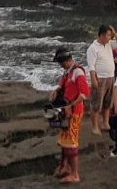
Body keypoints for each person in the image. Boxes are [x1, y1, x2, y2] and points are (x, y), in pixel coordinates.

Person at [50, 48, 90, 184]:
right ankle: (64, 167)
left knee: (71, 143)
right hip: (65, 111)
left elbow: (85, 93)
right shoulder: (68, 72)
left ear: (68, 61)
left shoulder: (78, 72)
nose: (61, 66)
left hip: (74, 111)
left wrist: (71, 106)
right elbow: (62, 85)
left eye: (62, 64)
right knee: (64, 141)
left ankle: (75, 174)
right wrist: (56, 91)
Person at [88, 24, 117, 135]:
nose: (110, 37)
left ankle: (105, 123)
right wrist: (93, 79)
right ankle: (94, 126)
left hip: (110, 77)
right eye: (108, 35)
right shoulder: (93, 48)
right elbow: (91, 66)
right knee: (96, 104)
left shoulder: (108, 44)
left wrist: (114, 32)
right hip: (100, 78)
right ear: (102, 35)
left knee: (108, 103)